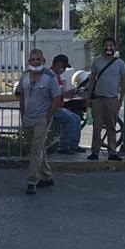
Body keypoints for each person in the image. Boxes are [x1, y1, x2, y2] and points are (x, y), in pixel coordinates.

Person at [15, 49, 61, 195]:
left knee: (35, 149)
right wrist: (22, 113)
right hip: (28, 118)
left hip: (42, 119)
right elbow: (20, 95)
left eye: (38, 60)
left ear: (43, 61)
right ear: (29, 62)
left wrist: (48, 116)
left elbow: (56, 98)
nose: (35, 62)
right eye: (33, 60)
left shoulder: (50, 78)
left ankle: (32, 181)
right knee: (37, 148)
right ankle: (47, 175)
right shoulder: (24, 77)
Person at [86, 38, 125, 161]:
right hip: (97, 99)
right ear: (103, 47)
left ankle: (112, 152)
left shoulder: (120, 63)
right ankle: (95, 152)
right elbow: (92, 80)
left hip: (112, 99)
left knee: (111, 126)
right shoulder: (97, 62)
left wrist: (120, 99)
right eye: (106, 45)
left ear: (114, 47)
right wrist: (89, 98)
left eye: (111, 45)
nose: (108, 48)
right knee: (97, 127)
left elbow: (124, 81)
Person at [48, 55, 82, 154]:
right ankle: (64, 146)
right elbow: (54, 95)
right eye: (64, 67)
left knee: (77, 118)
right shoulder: (50, 76)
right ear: (59, 64)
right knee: (71, 120)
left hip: (59, 106)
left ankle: (74, 145)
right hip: (51, 107)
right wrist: (68, 93)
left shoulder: (57, 77)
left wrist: (69, 93)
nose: (64, 70)